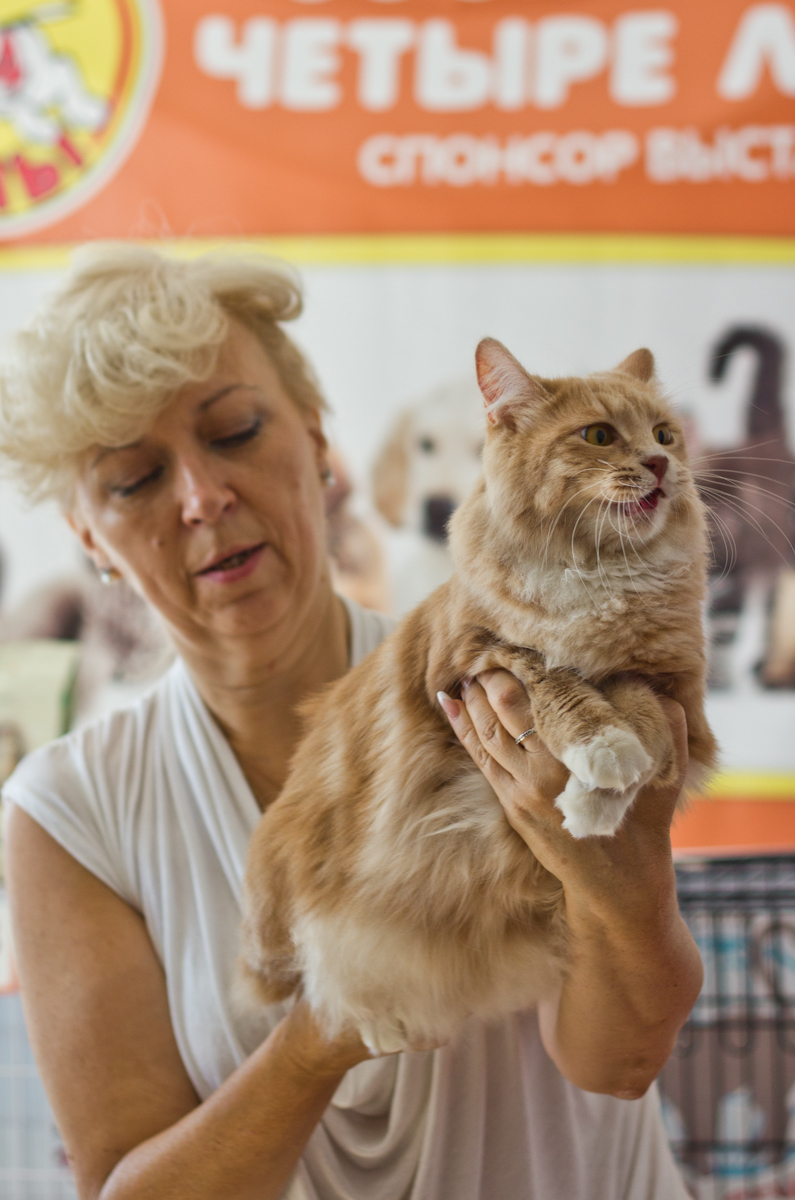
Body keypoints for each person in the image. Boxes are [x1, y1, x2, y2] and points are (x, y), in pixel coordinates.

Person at [0, 244, 700, 1200]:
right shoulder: (72, 811)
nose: (203, 498)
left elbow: (618, 1062)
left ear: (317, 442)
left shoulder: (510, 676)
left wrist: (622, 871)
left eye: (236, 432)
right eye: (134, 480)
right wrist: (324, 1031)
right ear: (90, 538)